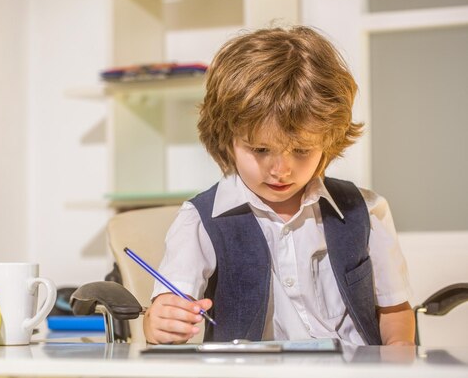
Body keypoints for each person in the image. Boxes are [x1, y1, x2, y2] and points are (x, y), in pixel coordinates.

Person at [143, 26, 415, 346]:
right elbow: (165, 309)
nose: (281, 170)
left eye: (301, 151)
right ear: (226, 139)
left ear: (328, 141)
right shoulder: (199, 220)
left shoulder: (366, 211)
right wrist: (158, 321)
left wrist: (398, 361)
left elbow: (395, 311)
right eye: (260, 150)